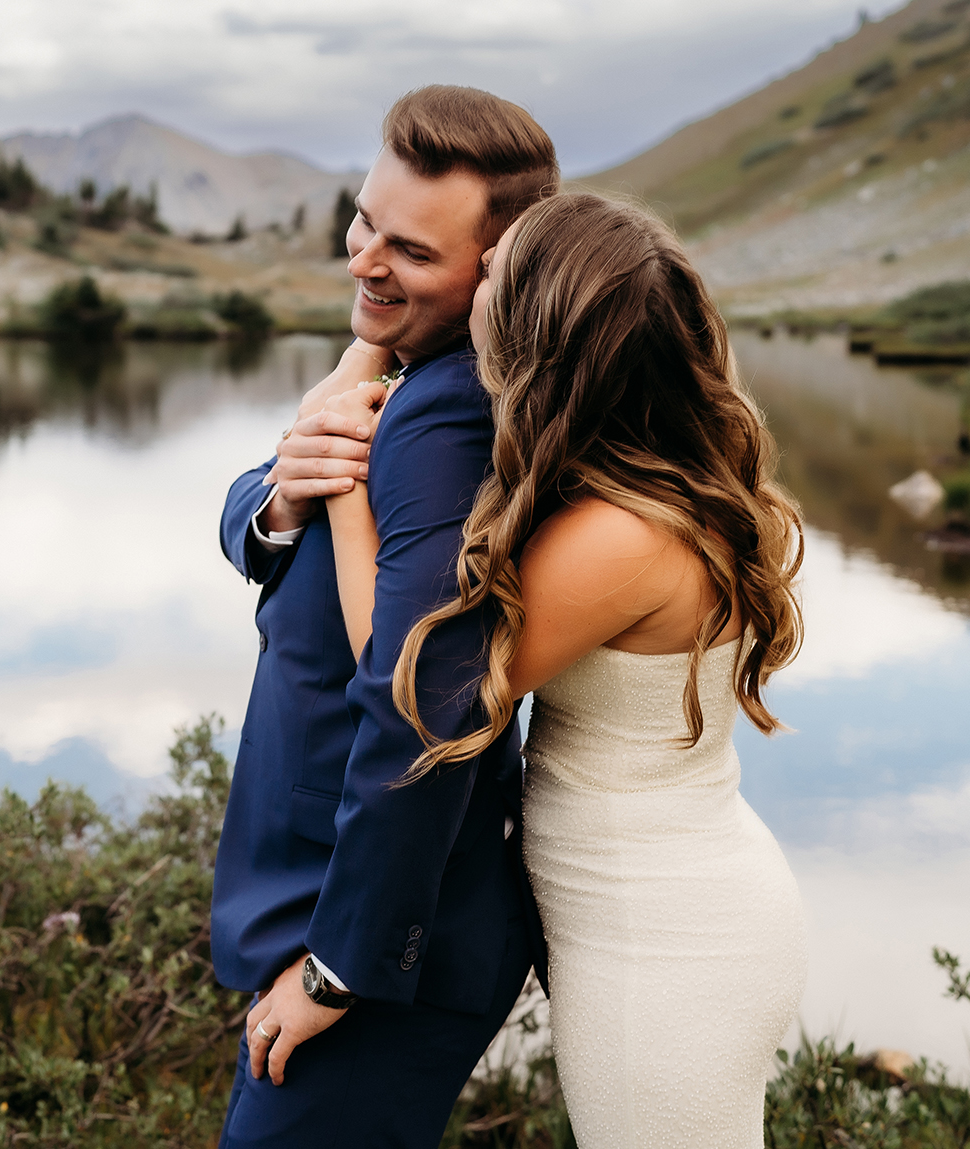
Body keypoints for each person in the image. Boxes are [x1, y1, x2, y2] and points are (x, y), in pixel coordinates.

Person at [321, 191, 808, 1148]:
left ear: (538, 328)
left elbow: (413, 683)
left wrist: (346, 487)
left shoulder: (618, 536)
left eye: (496, 272)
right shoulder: (649, 485)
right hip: (674, 906)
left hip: (662, 941)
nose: (476, 281)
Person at [212, 85, 558, 1149]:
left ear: (494, 271)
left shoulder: (449, 419)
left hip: (377, 945)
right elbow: (259, 513)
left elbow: (425, 701)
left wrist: (342, 963)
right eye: (363, 221)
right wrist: (279, 497)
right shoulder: (406, 374)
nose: (364, 260)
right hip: (331, 910)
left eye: (408, 250)